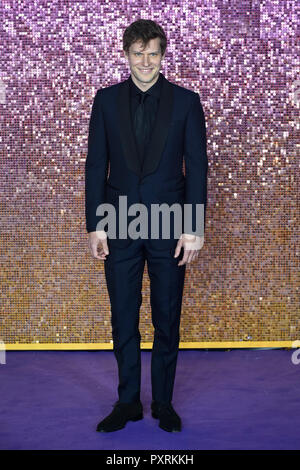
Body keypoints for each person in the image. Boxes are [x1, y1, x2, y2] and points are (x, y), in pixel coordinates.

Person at [85, 19, 208, 433]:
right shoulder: (104, 101)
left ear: (163, 54)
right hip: (117, 224)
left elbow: (198, 168)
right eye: (138, 53)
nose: (145, 61)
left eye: (153, 53)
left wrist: (194, 226)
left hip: (170, 225)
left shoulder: (187, 102)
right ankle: (127, 403)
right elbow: (96, 166)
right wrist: (96, 224)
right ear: (126, 55)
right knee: (123, 316)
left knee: (166, 316)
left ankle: (164, 404)